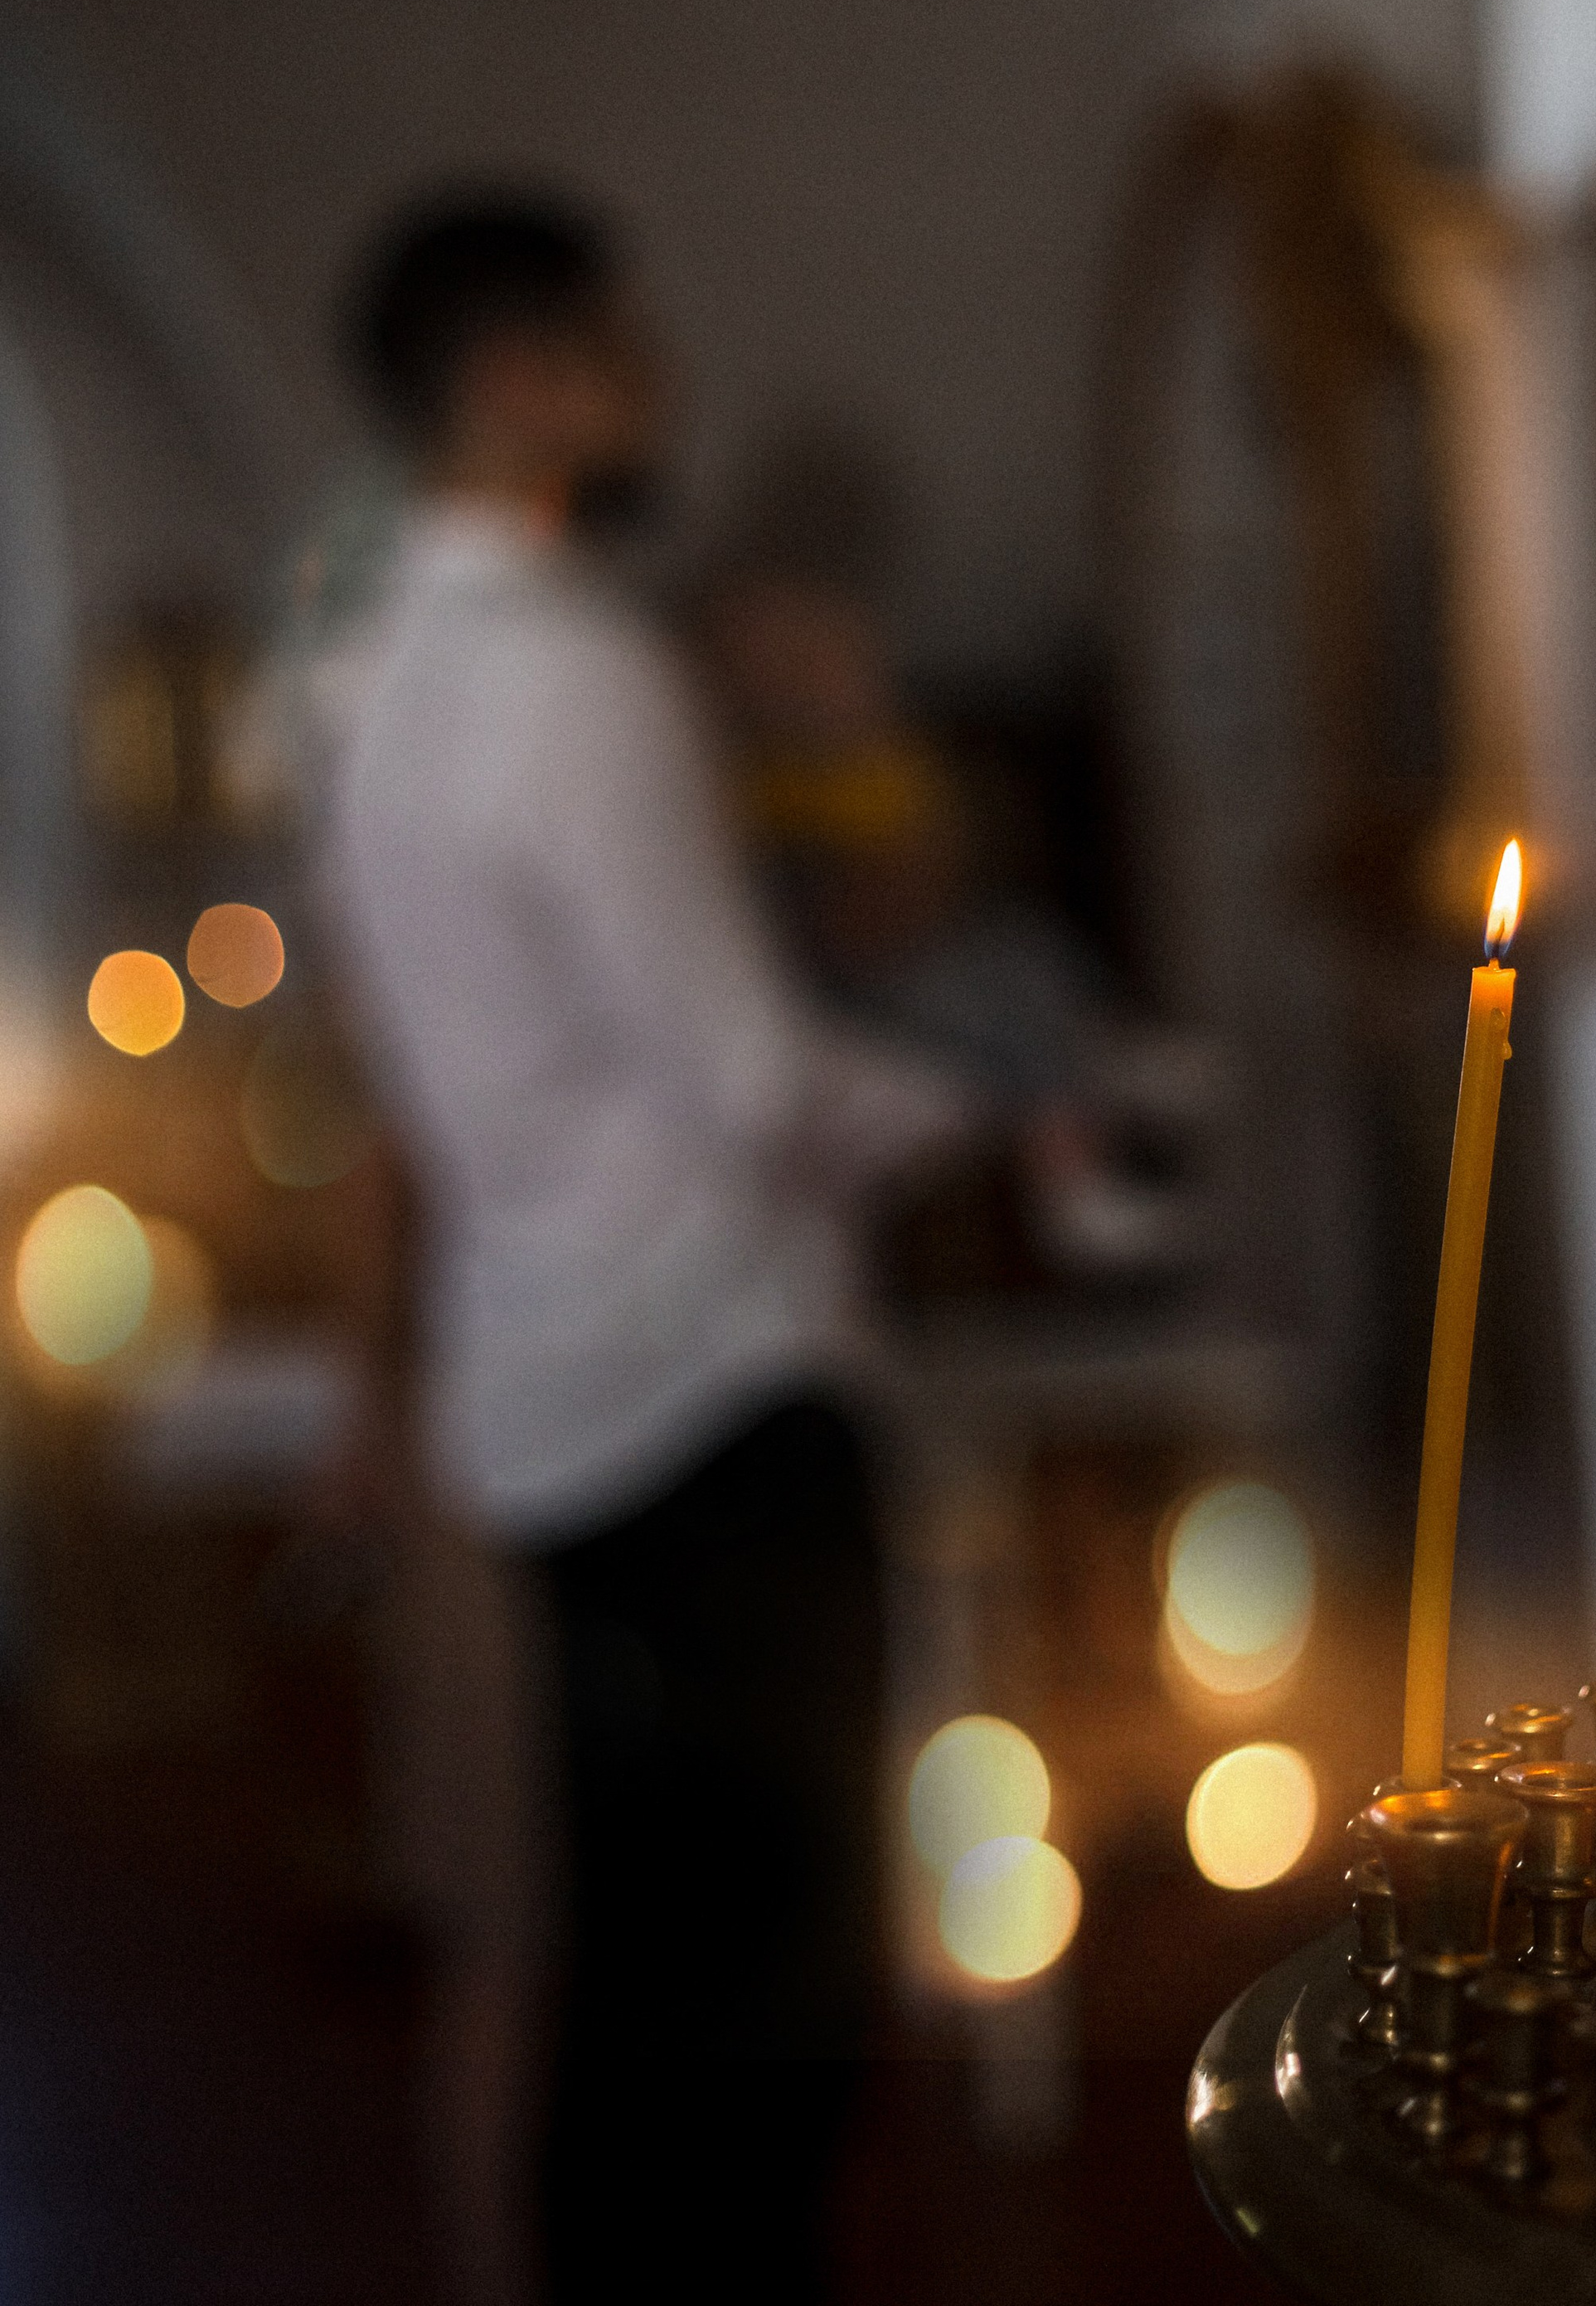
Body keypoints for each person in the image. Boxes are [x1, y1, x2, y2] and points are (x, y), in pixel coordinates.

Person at [319, 186, 967, 2303]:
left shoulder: (371, 675)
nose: (658, 383)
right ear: (521, 386)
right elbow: (752, 1074)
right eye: (621, 345)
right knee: (762, 2016)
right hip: (707, 1382)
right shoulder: (573, 668)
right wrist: (999, 1118)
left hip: (541, 1386)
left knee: (639, 1985)